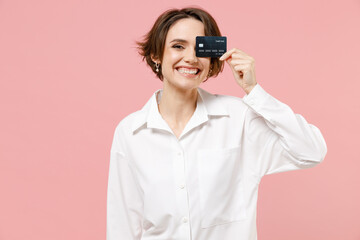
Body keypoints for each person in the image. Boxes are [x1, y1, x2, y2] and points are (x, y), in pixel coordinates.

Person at [106, 7, 327, 240]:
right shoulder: (130, 132)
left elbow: (311, 152)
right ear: (156, 55)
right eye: (178, 46)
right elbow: (123, 226)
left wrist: (254, 91)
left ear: (212, 58)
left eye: (200, 48)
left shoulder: (239, 119)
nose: (191, 57)